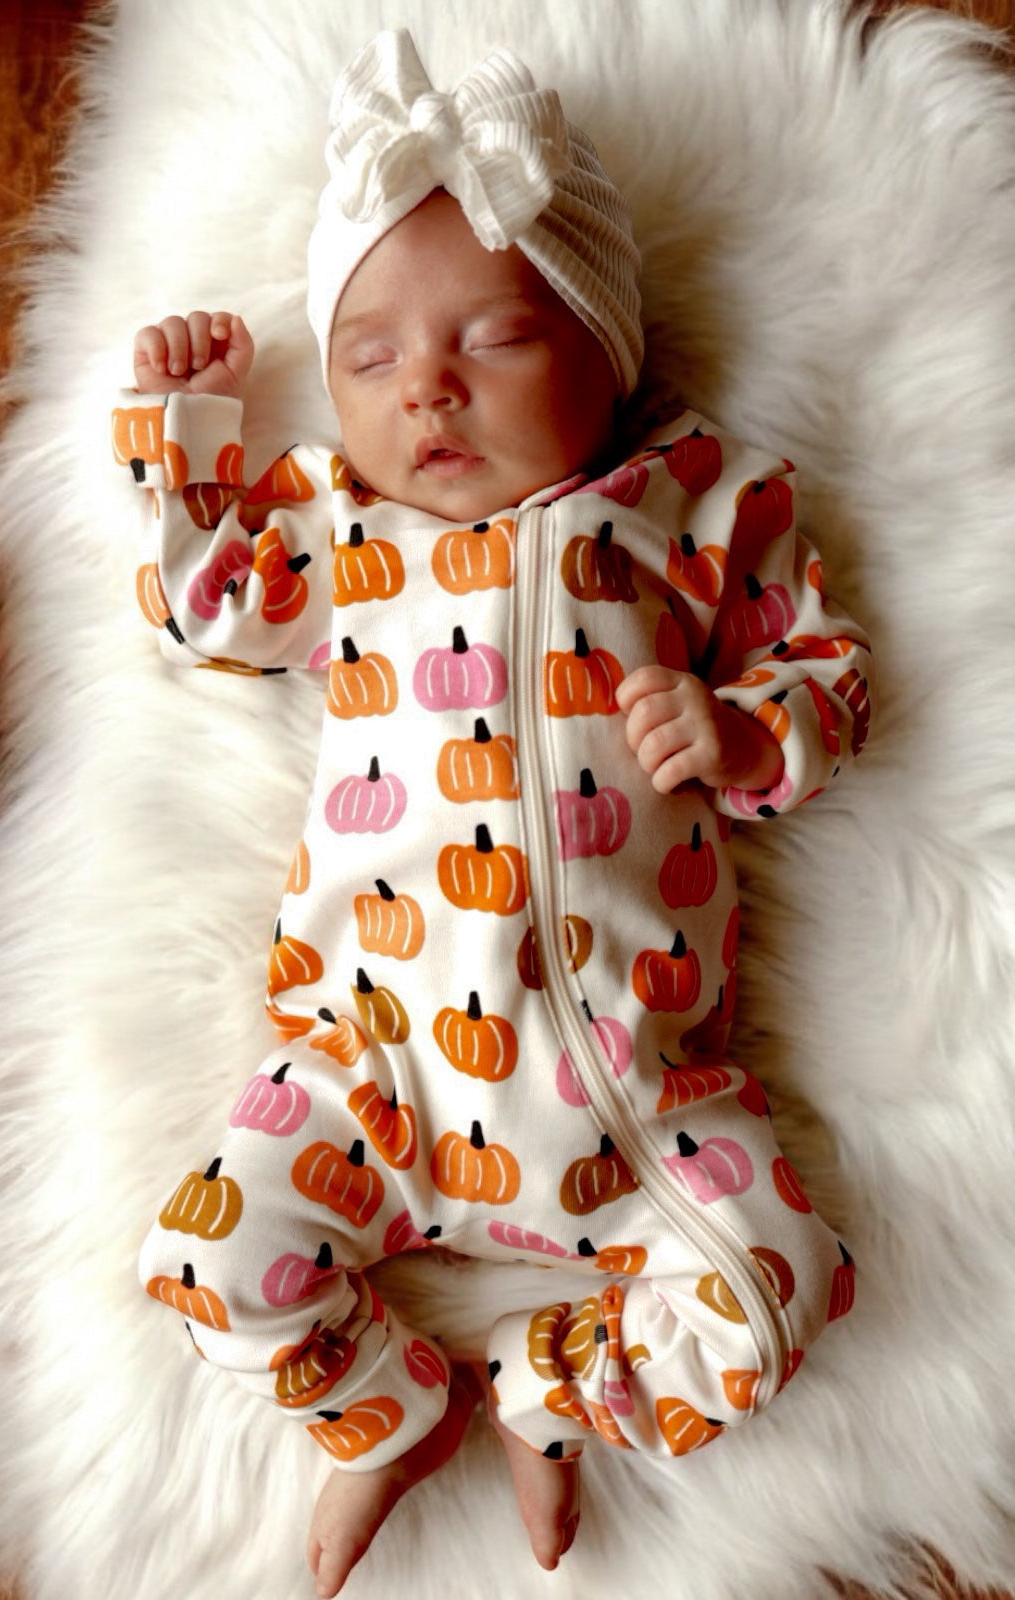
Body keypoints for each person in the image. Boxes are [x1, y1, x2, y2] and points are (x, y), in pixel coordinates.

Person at [118, 29, 874, 1599]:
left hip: (636, 1098)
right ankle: (384, 1411)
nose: (430, 387)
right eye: (373, 356)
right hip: (366, 1076)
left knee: (792, 1276)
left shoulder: (686, 502)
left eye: (495, 337)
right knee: (201, 1266)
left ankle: (555, 1385)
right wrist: (186, 435)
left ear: (608, 345)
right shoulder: (345, 534)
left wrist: (742, 735)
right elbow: (203, 611)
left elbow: (831, 674)